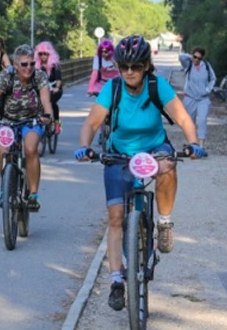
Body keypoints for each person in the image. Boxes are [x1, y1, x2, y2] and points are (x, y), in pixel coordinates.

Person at [74, 35, 205, 312]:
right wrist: (84, 146)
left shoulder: (158, 86)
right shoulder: (113, 88)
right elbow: (92, 122)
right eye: (124, 67)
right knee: (115, 219)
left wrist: (193, 143)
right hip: (120, 153)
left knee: (169, 165)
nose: (129, 72)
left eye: (135, 66)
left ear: (146, 65)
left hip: (153, 147)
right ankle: (116, 280)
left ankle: (165, 224)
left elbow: (182, 118)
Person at [0, 44, 53, 211]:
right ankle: (5, 188)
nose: (29, 68)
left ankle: (33, 194)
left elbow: (46, 99)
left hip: (32, 120)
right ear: (16, 65)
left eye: (32, 63)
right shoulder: (7, 75)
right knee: (3, 152)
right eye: (24, 64)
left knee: (31, 149)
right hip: (8, 120)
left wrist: (47, 115)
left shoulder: (39, 76)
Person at [178, 47, 216, 148]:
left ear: (202, 58)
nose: (196, 60)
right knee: (190, 121)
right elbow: (181, 57)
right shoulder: (188, 64)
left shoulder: (206, 66)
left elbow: (213, 78)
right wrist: (191, 57)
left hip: (203, 99)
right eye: (195, 57)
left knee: (202, 120)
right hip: (190, 98)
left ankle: (201, 146)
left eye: (199, 58)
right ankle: (192, 144)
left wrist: (207, 90)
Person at [35, 41, 63, 132]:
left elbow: (59, 79)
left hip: (54, 89)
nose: (43, 56)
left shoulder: (55, 65)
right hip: (42, 89)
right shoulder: (37, 66)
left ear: (49, 54)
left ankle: (57, 124)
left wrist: (57, 88)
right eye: (40, 54)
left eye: (45, 54)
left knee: (52, 103)